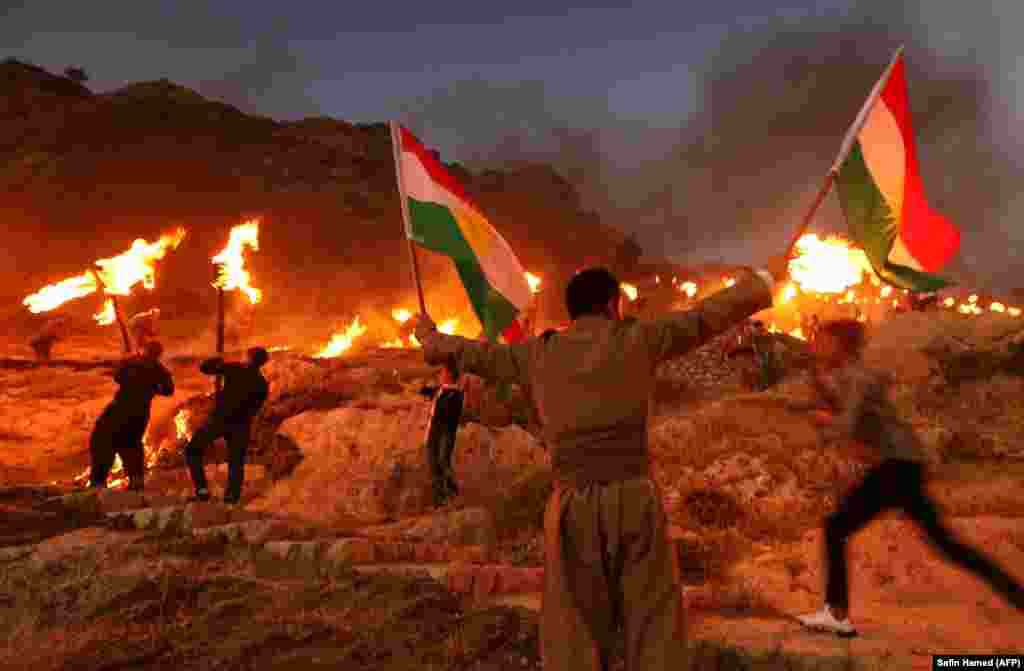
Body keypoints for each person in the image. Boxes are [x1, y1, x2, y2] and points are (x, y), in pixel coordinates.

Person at [413, 257, 786, 671]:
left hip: (572, 506)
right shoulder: (639, 340)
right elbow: (704, 319)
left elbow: (477, 354)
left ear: (572, 312)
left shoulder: (540, 354)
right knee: (653, 622)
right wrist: (761, 284)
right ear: (613, 305)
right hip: (634, 499)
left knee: (575, 628)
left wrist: (431, 339)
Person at [789, 319, 1024, 637]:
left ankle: (836, 614)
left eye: (824, 339)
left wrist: (821, 420)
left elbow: (845, 425)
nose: (816, 344)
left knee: (836, 527)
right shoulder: (842, 376)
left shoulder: (856, 377)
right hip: (902, 466)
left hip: (897, 467)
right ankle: (1018, 597)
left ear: (840, 345)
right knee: (947, 546)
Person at [185, 346, 270, 504]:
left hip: (221, 420)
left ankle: (202, 490)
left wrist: (217, 360)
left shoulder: (235, 369)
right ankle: (231, 499)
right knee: (236, 462)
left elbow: (204, 368)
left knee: (192, 450)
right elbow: (256, 409)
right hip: (241, 425)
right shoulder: (262, 384)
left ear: (250, 358)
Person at [89, 341, 174, 491]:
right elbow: (168, 390)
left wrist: (126, 362)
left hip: (121, 408)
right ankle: (136, 481)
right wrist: (153, 389)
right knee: (131, 444)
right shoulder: (159, 369)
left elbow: (118, 377)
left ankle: (98, 482)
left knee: (102, 439)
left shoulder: (134, 363)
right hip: (140, 413)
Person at [418, 359, 465, 506]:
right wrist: (421, 387)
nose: (440, 374)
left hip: (444, 435)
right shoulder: (442, 390)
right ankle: (442, 498)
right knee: (435, 466)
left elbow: (450, 416)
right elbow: (426, 391)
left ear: (450, 374)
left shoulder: (454, 394)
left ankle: (450, 495)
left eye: (443, 372)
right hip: (433, 433)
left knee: (442, 463)